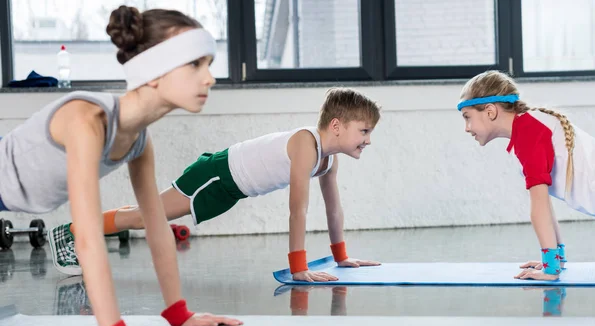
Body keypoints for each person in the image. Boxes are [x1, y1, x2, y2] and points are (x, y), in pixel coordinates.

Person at [0, 5, 241, 326]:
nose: (209, 79)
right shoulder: (88, 121)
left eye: (208, 65)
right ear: (154, 73)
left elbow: (157, 225)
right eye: (195, 64)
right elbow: (86, 234)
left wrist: (179, 313)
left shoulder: (139, 141)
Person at [48, 88, 382, 282]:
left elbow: (333, 207)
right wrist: (298, 268)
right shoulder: (305, 145)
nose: (368, 140)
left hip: (230, 188)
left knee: (145, 214)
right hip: (217, 174)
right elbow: (298, 210)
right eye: (364, 131)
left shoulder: (327, 159)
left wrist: (341, 257)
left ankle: (77, 229)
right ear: (336, 125)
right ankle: (72, 232)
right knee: (144, 218)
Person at [457, 70, 595, 281]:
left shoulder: (529, 132)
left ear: (490, 111)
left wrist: (550, 270)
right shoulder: (528, 126)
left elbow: (539, 208)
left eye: (467, 117)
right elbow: (547, 206)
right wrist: (554, 259)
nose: (466, 128)